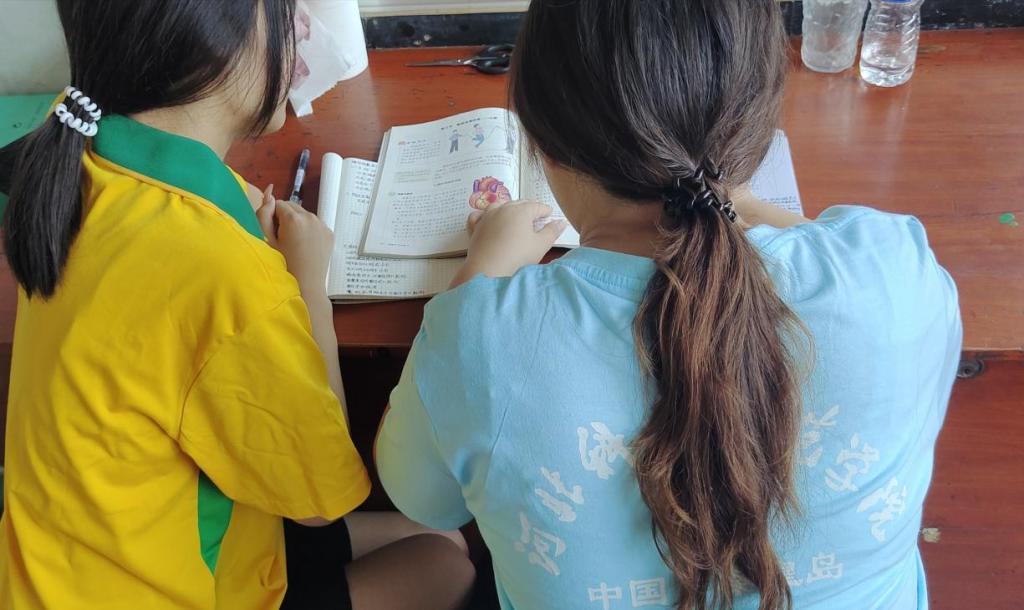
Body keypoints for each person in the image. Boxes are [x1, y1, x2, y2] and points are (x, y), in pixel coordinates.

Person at [376, 1, 961, 609]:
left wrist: (480, 270)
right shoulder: (897, 275)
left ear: (542, 145)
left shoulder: (481, 340)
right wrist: (725, 200)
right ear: (763, 125)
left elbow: (420, 499)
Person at [0, 2, 473, 609]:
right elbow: (319, 503)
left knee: (440, 539)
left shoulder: (79, 143)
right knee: (446, 564)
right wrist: (309, 284)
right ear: (212, 36)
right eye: (287, 9)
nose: (305, 27)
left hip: (75, 563)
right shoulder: (225, 276)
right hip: (168, 588)